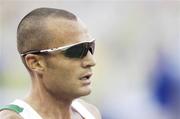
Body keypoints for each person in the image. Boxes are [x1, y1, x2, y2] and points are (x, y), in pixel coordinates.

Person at [0, 7, 101, 119]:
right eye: (76, 50)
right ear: (36, 63)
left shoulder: (90, 113)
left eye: (90, 47)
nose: (91, 61)